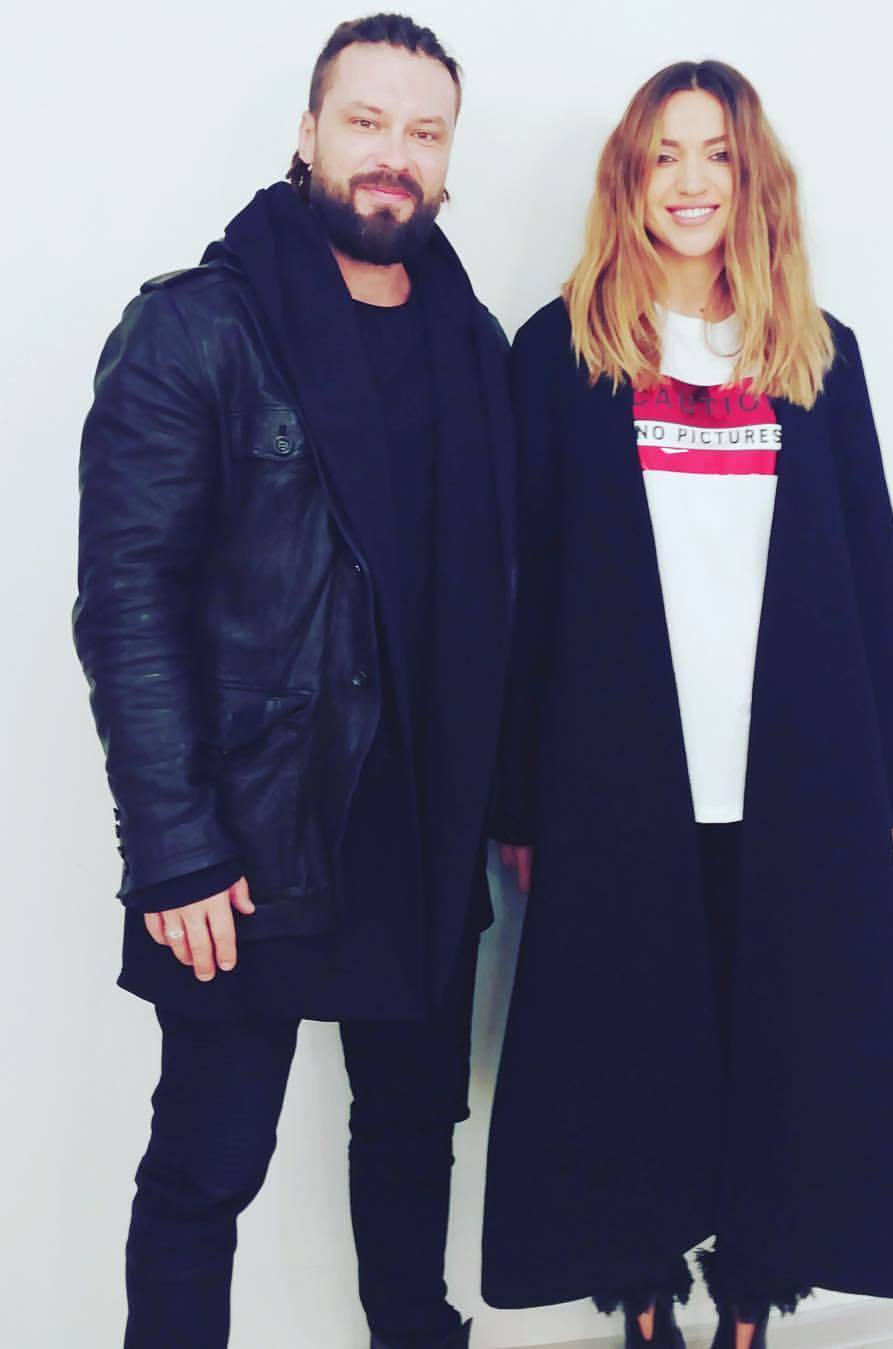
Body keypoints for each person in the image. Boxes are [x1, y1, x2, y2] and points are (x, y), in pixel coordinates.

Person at [482, 60, 893, 1349]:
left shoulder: (815, 354)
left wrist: (888, 778)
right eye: (665, 155)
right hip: (614, 779)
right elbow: (522, 592)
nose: (691, 183)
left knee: (784, 1051)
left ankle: (751, 1300)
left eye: (718, 156)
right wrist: (517, 799)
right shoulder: (561, 352)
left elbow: (872, 575)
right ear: (629, 178)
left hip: (794, 779)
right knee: (627, 1049)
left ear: (755, 180)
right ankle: (644, 1298)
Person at [72, 14, 514, 1348]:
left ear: (448, 159)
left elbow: (498, 598)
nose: (394, 154)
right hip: (246, 832)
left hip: (421, 826)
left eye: (424, 132)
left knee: (414, 1131)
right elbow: (128, 605)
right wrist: (174, 848)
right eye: (366, 121)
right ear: (310, 133)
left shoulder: (475, 341)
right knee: (207, 1165)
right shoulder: (193, 328)